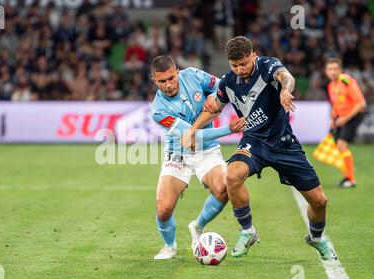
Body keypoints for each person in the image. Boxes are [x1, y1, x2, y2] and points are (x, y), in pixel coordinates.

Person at [187, 36, 337, 260]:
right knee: (232, 175)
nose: (239, 69)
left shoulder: (268, 66)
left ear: (253, 56)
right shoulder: (228, 82)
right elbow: (215, 108)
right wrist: (192, 130)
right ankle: (247, 231)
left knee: (319, 201)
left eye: (243, 64)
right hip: (254, 142)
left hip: (283, 143)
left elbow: (286, 77)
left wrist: (285, 90)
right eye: (234, 65)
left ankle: (316, 238)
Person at [150, 55, 245, 259]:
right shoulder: (158, 110)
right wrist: (228, 129)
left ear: (177, 72)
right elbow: (193, 134)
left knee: (223, 188)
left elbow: (221, 85)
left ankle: (198, 226)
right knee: (164, 208)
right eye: (162, 81)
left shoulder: (192, 75)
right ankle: (169, 246)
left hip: (207, 150)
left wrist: (213, 95)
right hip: (178, 152)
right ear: (154, 81)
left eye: (171, 78)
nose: (168, 85)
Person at [325, 57, 367, 188]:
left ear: (341, 70)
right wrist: (333, 118)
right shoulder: (331, 85)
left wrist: (345, 119)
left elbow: (361, 104)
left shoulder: (347, 82)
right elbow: (336, 104)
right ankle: (347, 176)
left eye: (335, 69)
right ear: (326, 71)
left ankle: (350, 179)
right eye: (330, 69)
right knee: (339, 146)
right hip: (341, 118)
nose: (332, 72)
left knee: (342, 144)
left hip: (354, 115)